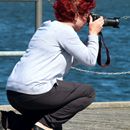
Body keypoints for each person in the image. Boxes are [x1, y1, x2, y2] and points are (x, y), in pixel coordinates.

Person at [1, 0, 104, 129]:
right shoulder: (65, 31)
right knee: (88, 92)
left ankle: (8, 121)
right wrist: (93, 34)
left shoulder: (48, 27)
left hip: (14, 93)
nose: (87, 19)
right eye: (85, 14)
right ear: (76, 15)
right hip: (34, 92)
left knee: (54, 126)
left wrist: (92, 40)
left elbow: (77, 58)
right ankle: (44, 124)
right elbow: (90, 60)